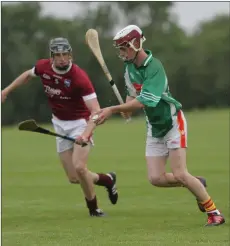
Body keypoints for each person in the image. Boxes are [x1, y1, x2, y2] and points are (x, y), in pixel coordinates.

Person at [88, 25, 225, 226]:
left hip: (172, 122)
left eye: (124, 48)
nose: (122, 53)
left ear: (136, 44)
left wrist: (113, 109)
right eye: (120, 49)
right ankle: (196, 183)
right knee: (156, 178)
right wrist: (125, 108)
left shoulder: (154, 68)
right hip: (154, 126)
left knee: (179, 173)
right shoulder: (129, 68)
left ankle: (214, 213)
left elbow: (145, 101)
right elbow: (132, 96)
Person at [1, 37, 118, 217]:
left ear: (70, 54)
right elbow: (27, 75)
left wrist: (86, 133)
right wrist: (6, 91)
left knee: (79, 167)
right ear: (52, 57)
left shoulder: (79, 77)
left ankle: (94, 209)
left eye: (66, 54)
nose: (63, 58)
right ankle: (107, 180)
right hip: (59, 124)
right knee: (74, 177)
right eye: (58, 55)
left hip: (81, 123)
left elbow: (95, 110)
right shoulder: (43, 67)